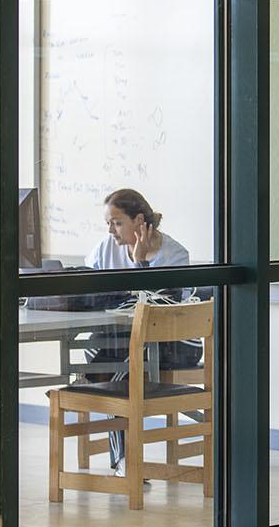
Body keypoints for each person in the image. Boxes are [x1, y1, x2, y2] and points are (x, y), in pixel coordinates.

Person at [82, 189, 201, 472]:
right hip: (127, 340)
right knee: (104, 353)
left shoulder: (174, 254)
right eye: (108, 223)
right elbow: (88, 288)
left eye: (117, 222)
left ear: (139, 221)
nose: (111, 230)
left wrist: (140, 262)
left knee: (117, 368)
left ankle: (121, 455)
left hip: (175, 343)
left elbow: (158, 311)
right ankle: (124, 457)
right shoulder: (105, 247)